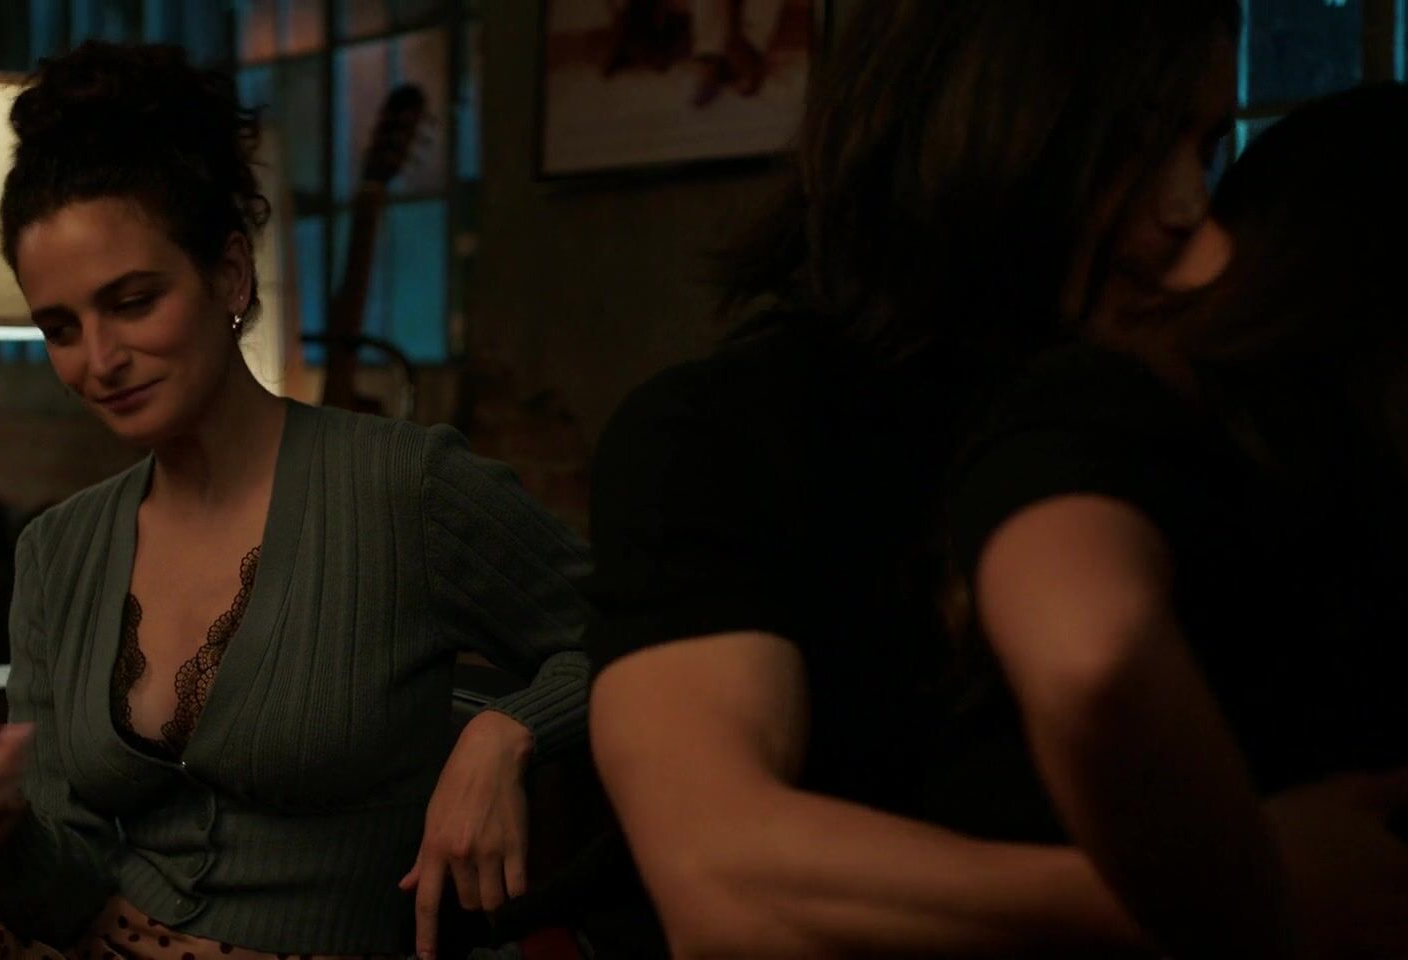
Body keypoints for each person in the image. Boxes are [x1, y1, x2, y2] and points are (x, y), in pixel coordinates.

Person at [0, 42, 592, 960]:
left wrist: (505, 730)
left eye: (131, 302)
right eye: (60, 327)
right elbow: (59, 887)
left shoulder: (405, 487)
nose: (99, 361)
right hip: (92, 934)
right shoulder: (59, 549)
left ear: (230, 275)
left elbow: (636, 635)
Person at [587, 2, 1406, 956]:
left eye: (1208, 145)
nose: (1187, 205)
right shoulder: (728, 430)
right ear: (986, 131)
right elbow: (722, 879)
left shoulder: (1169, 418)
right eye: (1135, 145)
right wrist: (1246, 884)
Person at [941, 80, 1408, 958]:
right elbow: (1094, 657)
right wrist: (1263, 892)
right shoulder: (1119, 418)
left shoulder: (1348, 485)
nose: (1183, 208)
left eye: (1206, 147)